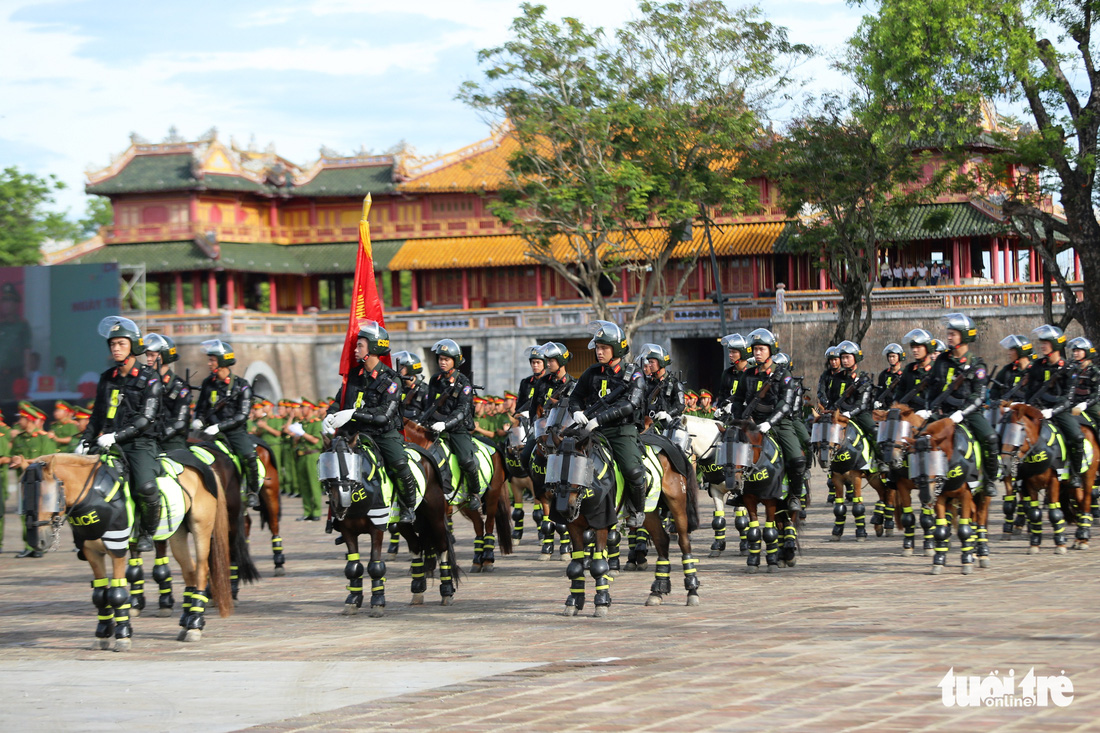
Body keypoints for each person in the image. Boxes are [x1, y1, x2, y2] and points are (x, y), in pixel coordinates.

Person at [79, 316, 162, 552]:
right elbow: (97, 415)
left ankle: (147, 532)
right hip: (108, 443)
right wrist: (85, 440)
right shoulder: (107, 378)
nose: (115, 348)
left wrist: (116, 436)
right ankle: (85, 537)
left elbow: (146, 419)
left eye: (121, 344)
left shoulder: (150, 378)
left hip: (140, 444)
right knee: (80, 484)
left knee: (146, 488)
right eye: (112, 344)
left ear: (133, 346)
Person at [567, 320, 647, 527]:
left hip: (622, 431)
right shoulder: (592, 372)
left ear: (617, 349)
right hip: (593, 432)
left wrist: (597, 419)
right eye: (598, 348)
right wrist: (575, 411)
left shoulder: (634, 373)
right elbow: (575, 397)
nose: (599, 352)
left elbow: (630, 405)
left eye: (604, 348)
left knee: (633, 470)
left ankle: (637, 510)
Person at [921, 314, 999, 492]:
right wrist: (928, 408)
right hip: (943, 412)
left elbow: (978, 396)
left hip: (968, 413)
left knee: (990, 438)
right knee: (920, 437)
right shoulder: (942, 360)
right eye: (948, 333)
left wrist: (961, 413)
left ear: (965, 336)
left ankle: (989, 479)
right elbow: (933, 386)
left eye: (953, 334)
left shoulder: (977, 365)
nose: (949, 337)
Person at [729, 329, 808, 502]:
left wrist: (769, 423)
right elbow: (738, 399)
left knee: (797, 459)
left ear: (771, 350)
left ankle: (795, 495)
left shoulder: (784, 376)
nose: (757, 353)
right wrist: (739, 419)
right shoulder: (747, 375)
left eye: (761, 349)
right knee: (729, 451)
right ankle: (738, 492)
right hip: (751, 424)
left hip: (779, 423)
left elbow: (785, 404)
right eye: (755, 349)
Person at [195, 339, 261, 509]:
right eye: (209, 359)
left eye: (212, 360)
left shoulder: (242, 386)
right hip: (208, 431)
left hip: (234, 431)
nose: (209, 363)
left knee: (249, 456)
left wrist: (219, 426)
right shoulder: (207, 383)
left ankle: (252, 492)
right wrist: (198, 420)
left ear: (223, 361)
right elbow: (201, 408)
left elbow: (242, 415)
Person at [420, 338, 482, 511]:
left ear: (455, 361)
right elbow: (431, 405)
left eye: (446, 359)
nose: (442, 362)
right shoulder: (435, 380)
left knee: (466, 460)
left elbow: (462, 411)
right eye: (440, 359)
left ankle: (474, 492)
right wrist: (424, 421)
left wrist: (445, 424)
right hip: (434, 427)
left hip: (457, 428)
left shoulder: (464, 383)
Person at [1024, 325, 1084, 489]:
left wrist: (1052, 411)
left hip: (1059, 411)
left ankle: (1076, 473)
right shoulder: (1037, 366)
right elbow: (1030, 392)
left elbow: (1068, 398)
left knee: (1077, 437)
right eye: (1042, 342)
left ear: (1056, 345)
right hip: (1038, 410)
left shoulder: (1069, 368)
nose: (1042, 345)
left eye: (1046, 342)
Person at [143, 333, 191, 454]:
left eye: (152, 356)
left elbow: (180, 421)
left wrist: (159, 435)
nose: (148, 359)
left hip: (171, 440)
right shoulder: (145, 382)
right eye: (147, 355)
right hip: (147, 437)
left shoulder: (179, 386)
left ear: (164, 357)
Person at [824, 341, 876, 441]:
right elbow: (832, 399)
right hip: (838, 413)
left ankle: (878, 456)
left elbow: (862, 405)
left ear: (855, 358)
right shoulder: (836, 377)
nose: (844, 360)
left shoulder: (863, 379)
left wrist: (850, 413)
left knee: (875, 432)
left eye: (847, 357)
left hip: (858, 414)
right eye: (842, 358)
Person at [639, 343, 684, 432]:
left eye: (652, 362)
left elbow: (680, 406)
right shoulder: (648, 382)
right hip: (648, 426)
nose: (649, 365)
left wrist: (667, 414)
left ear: (661, 362)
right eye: (649, 362)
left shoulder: (674, 383)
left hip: (667, 427)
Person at [890, 329, 937, 410]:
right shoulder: (909, 369)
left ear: (928, 348)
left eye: (918, 347)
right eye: (913, 347)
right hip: (908, 414)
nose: (914, 350)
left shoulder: (936, 369)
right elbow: (900, 391)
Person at [988, 335, 1033, 403]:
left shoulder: (1036, 369)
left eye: (1012, 350)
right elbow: (994, 389)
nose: (1008, 353)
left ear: (1021, 351)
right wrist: (997, 402)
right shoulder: (1007, 370)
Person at [1068, 337, 1100, 429]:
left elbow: (1096, 394)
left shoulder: (1095, 372)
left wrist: (1085, 404)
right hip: (1073, 403)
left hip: (1091, 404)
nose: (1075, 353)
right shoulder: (1072, 370)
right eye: (1074, 351)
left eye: (1078, 351)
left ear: (1086, 352)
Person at [714, 333, 749, 414]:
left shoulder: (751, 373)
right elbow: (722, 394)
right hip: (727, 414)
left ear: (743, 353)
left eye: (734, 352)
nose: (730, 355)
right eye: (730, 352)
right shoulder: (727, 373)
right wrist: (719, 408)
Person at [392, 350, 427, 419]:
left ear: (410, 368)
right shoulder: (399, 386)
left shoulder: (424, 389)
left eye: (402, 367)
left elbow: (428, 411)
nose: (399, 369)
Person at [515, 346, 545, 416]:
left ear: (545, 363)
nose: (535, 365)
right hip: (525, 418)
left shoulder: (549, 382)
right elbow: (519, 404)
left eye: (538, 362)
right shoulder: (525, 382)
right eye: (533, 362)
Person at [816, 346, 842, 411]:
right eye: (831, 360)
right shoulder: (825, 375)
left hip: (841, 407)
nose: (833, 362)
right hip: (826, 407)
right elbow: (821, 391)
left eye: (835, 359)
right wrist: (826, 402)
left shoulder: (844, 375)